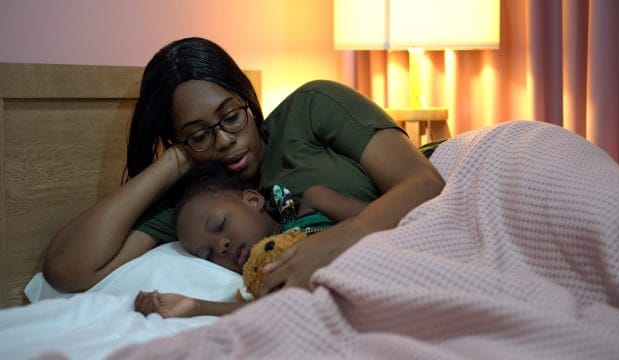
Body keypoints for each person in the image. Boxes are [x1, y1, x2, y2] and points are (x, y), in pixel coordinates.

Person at [43, 36, 445, 297]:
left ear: (246, 100)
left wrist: (337, 241)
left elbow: (426, 183)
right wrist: (175, 160)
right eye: (199, 134)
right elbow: (66, 270)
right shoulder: (199, 208)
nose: (223, 141)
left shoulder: (310, 108)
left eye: (230, 117)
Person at [135, 161, 367, 318]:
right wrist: (196, 306)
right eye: (208, 255)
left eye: (220, 225)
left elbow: (386, 220)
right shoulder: (264, 277)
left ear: (253, 200)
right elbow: (264, 310)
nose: (220, 247)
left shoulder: (315, 201)